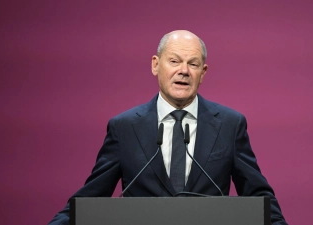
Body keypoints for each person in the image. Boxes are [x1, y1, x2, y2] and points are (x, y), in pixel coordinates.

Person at [49, 30, 288, 225]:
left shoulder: (229, 124)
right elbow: (89, 199)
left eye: (193, 64)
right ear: (156, 65)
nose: (183, 70)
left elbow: (260, 198)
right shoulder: (124, 128)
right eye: (174, 61)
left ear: (202, 73)